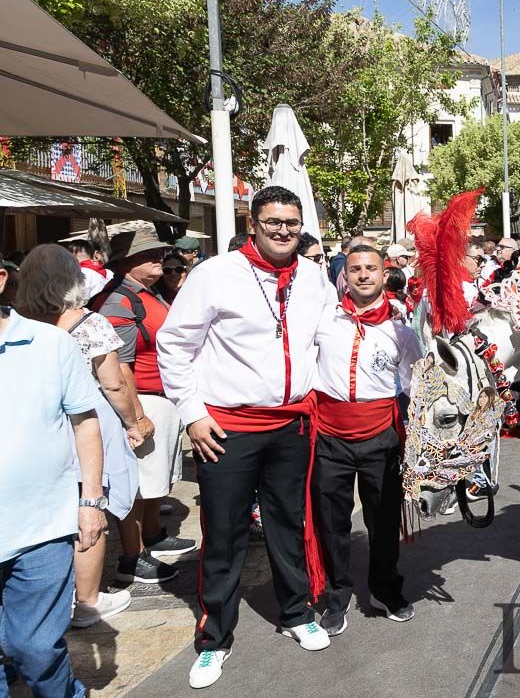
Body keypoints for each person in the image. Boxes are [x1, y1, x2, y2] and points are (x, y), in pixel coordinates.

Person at [157, 186, 337, 688]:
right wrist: (192, 414)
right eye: (274, 221)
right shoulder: (215, 274)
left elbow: (330, 336)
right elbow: (174, 345)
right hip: (227, 428)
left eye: (292, 222)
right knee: (225, 534)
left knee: (288, 523)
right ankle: (214, 639)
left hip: (293, 424)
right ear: (253, 223)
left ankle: (296, 613)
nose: (284, 230)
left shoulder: (314, 277)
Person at [16, 245, 143, 628]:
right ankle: (87, 602)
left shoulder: (18, 321)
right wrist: (133, 423)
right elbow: (114, 385)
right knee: (90, 506)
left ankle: (52, 596)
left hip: (35, 424)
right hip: (85, 423)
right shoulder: (90, 324)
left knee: (49, 509)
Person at [0, 271, 104, 698]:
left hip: (40, 526)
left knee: (36, 647)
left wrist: (91, 500)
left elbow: (85, 424)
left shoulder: (50, 343)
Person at [311, 244, 420, 636]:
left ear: (383, 273)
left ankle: (385, 589)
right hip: (329, 437)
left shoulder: (402, 332)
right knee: (332, 523)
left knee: (383, 521)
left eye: (370, 268)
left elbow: (415, 386)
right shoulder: (324, 320)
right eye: (355, 268)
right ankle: (336, 596)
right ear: (346, 275)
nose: (362, 275)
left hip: (381, 438)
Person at [93, 229, 194, 585]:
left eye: (157, 252)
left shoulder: (145, 294)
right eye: (146, 254)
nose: (158, 258)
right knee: (136, 486)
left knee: (155, 482)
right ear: (124, 264)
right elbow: (118, 364)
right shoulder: (118, 301)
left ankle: (152, 535)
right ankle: (132, 558)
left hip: (158, 399)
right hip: (142, 402)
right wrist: (135, 414)